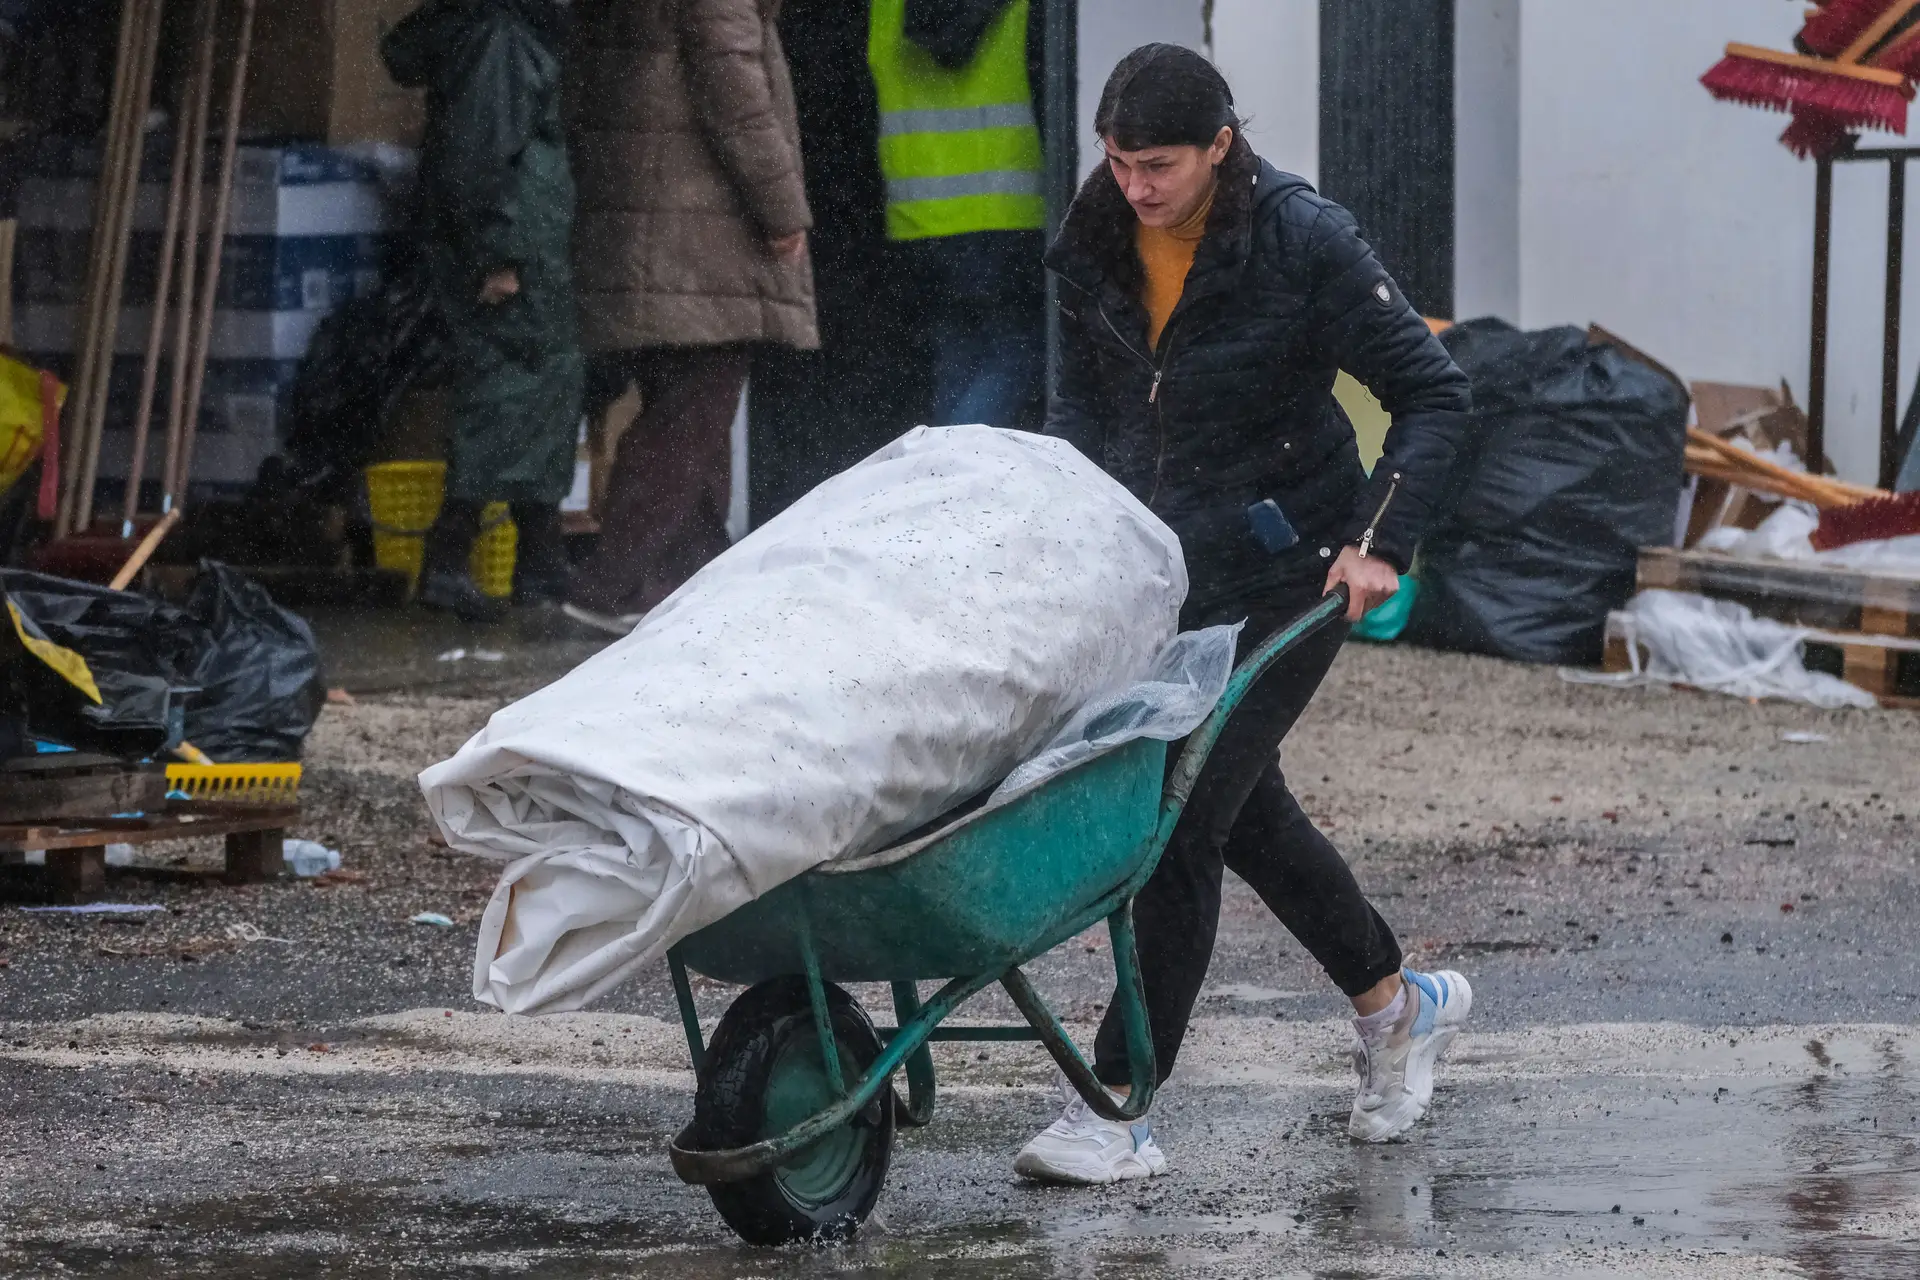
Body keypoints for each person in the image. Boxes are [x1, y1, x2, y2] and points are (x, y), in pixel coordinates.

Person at [1015, 45, 1476, 1185]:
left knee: (1178, 817)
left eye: (1160, 166)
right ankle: (1398, 1006)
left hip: (1290, 572)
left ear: (1222, 145)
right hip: (1162, 573)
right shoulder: (1095, 233)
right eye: (1118, 162)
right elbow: (1082, 406)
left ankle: (1119, 1106)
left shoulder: (1300, 239)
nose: (1136, 187)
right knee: (1244, 810)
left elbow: (1434, 393)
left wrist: (1379, 542)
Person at [562, 0, 818, 634]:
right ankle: (617, 582)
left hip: (652, 214)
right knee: (693, 409)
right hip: (699, 226)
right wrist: (783, 208)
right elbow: (736, 97)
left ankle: (688, 578)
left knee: (689, 401)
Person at [382, 0, 584, 622]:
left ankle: (536, 558)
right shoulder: (503, 37)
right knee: (510, 386)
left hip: (523, 241)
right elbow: (483, 154)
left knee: (535, 386)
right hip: (514, 246)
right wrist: (497, 253)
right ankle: (455, 556)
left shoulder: (499, 30)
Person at [869, 0, 1046, 429]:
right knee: (1022, 351)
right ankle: (953, 459)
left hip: (919, 217)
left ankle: (945, 460)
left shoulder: (887, 9)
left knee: (957, 352)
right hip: (1006, 212)